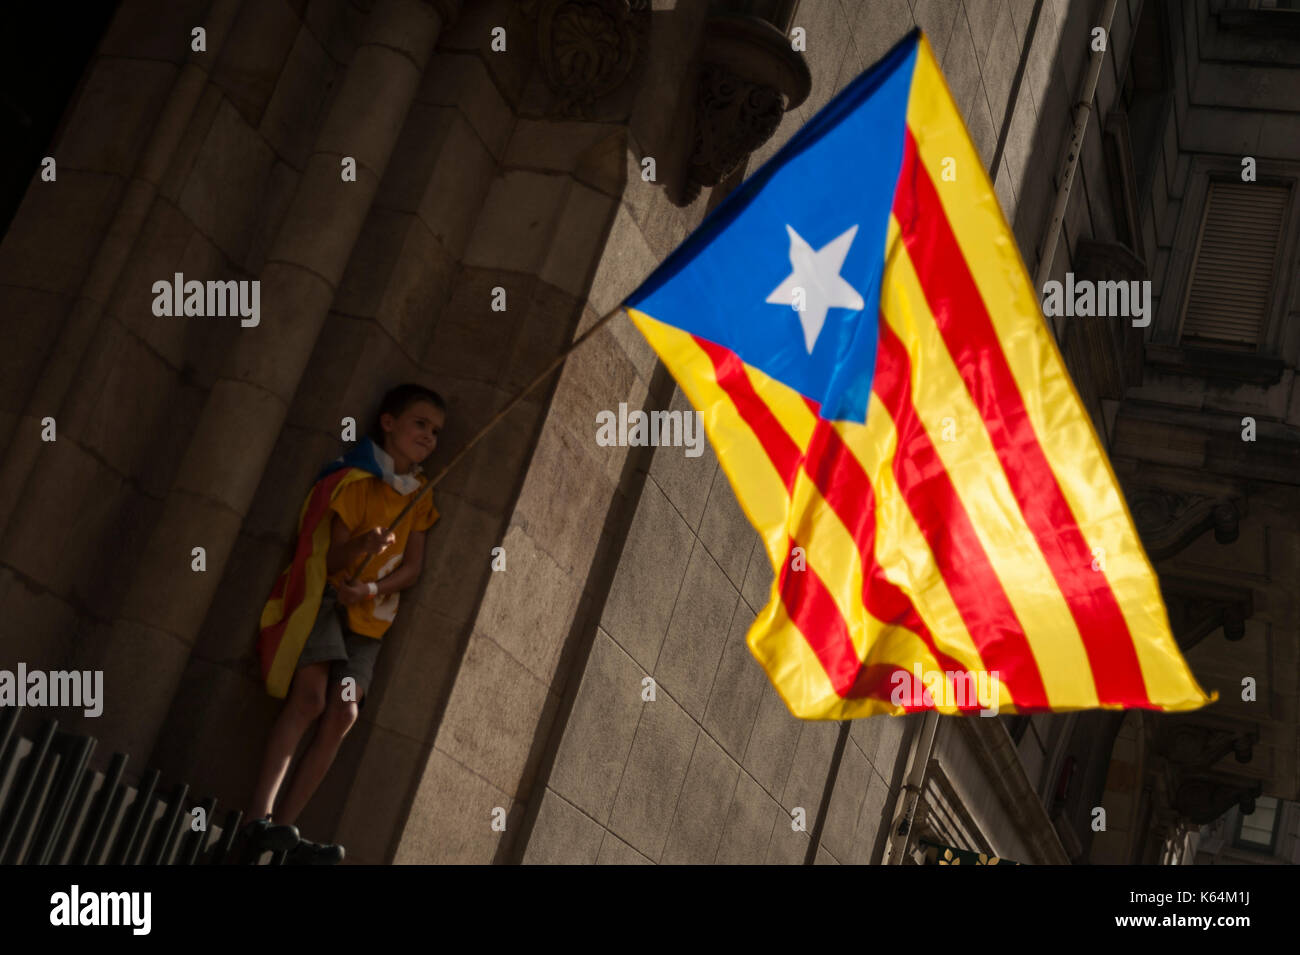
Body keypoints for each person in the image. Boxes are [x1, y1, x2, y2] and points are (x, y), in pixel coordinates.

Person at [238, 384, 445, 864]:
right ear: (388, 422)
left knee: (344, 712)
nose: (429, 437)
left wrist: (371, 589)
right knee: (309, 699)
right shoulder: (353, 480)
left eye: (435, 431)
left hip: (369, 622)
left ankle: (287, 830)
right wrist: (362, 549)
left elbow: (413, 569)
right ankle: (258, 818)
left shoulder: (420, 496)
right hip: (327, 604)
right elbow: (326, 557)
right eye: (420, 423)